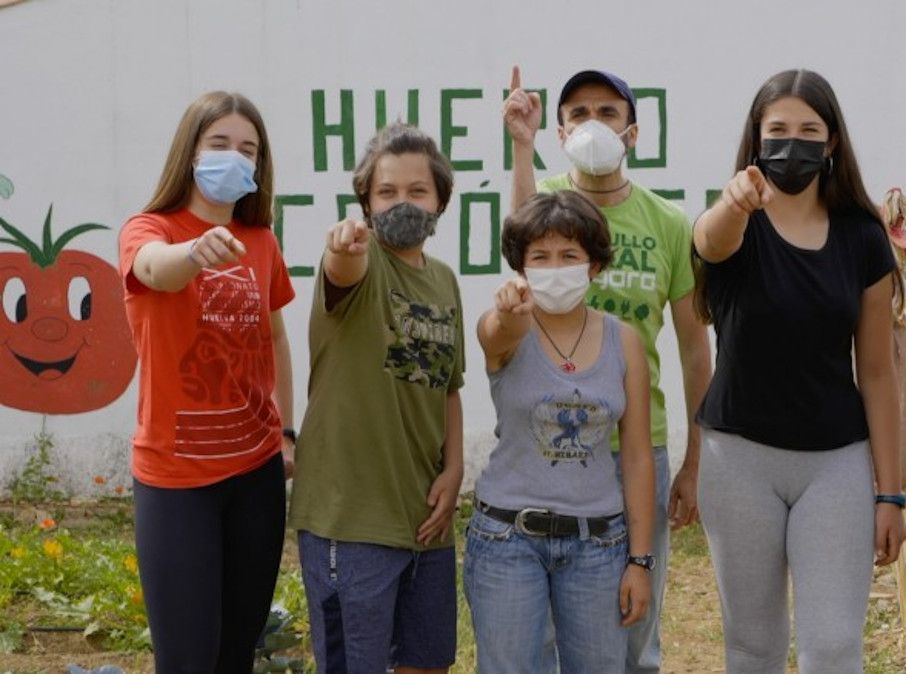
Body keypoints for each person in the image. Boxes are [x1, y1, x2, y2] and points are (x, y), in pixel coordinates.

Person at [691, 69, 906, 673]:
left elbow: (878, 371)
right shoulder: (735, 222)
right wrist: (734, 202)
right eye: (778, 129)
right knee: (752, 646)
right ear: (756, 140)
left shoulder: (864, 237)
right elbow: (708, 242)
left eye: (809, 129)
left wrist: (890, 491)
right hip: (739, 458)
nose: (793, 142)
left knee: (834, 646)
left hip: (835, 462)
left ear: (832, 141)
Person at [504, 66, 712, 673]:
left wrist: (696, 461)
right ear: (560, 130)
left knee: (633, 629)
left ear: (634, 132)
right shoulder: (541, 198)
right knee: (540, 635)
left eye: (608, 113)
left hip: (634, 451)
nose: (592, 124)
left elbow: (695, 348)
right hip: (550, 448)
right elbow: (520, 245)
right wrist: (521, 146)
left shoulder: (668, 223)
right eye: (577, 115)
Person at [119, 91, 295, 673]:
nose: (234, 158)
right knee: (187, 659)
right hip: (176, 482)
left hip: (256, 475)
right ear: (190, 153)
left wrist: (286, 433)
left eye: (248, 149)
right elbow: (151, 270)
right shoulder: (149, 229)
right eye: (219, 144)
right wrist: (193, 252)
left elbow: (275, 339)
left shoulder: (263, 241)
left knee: (235, 655)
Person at [289, 122, 464, 673]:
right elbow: (344, 265)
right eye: (386, 192)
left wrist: (455, 469)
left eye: (417, 191)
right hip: (352, 520)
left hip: (425, 522)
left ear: (440, 199)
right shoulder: (359, 266)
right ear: (365, 202)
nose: (402, 203)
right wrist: (344, 247)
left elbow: (448, 387)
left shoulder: (443, 280)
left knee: (427, 663)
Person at [466, 190, 656, 674]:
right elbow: (495, 334)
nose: (555, 267)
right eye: (540, 257)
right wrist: (510, 316)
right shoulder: (507, 328)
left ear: (593, 264)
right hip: (508, 538)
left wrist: (640, 560)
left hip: (599, 545)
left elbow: (636, 458)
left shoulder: (624, 342)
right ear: (521, 267)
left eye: (569, 255)